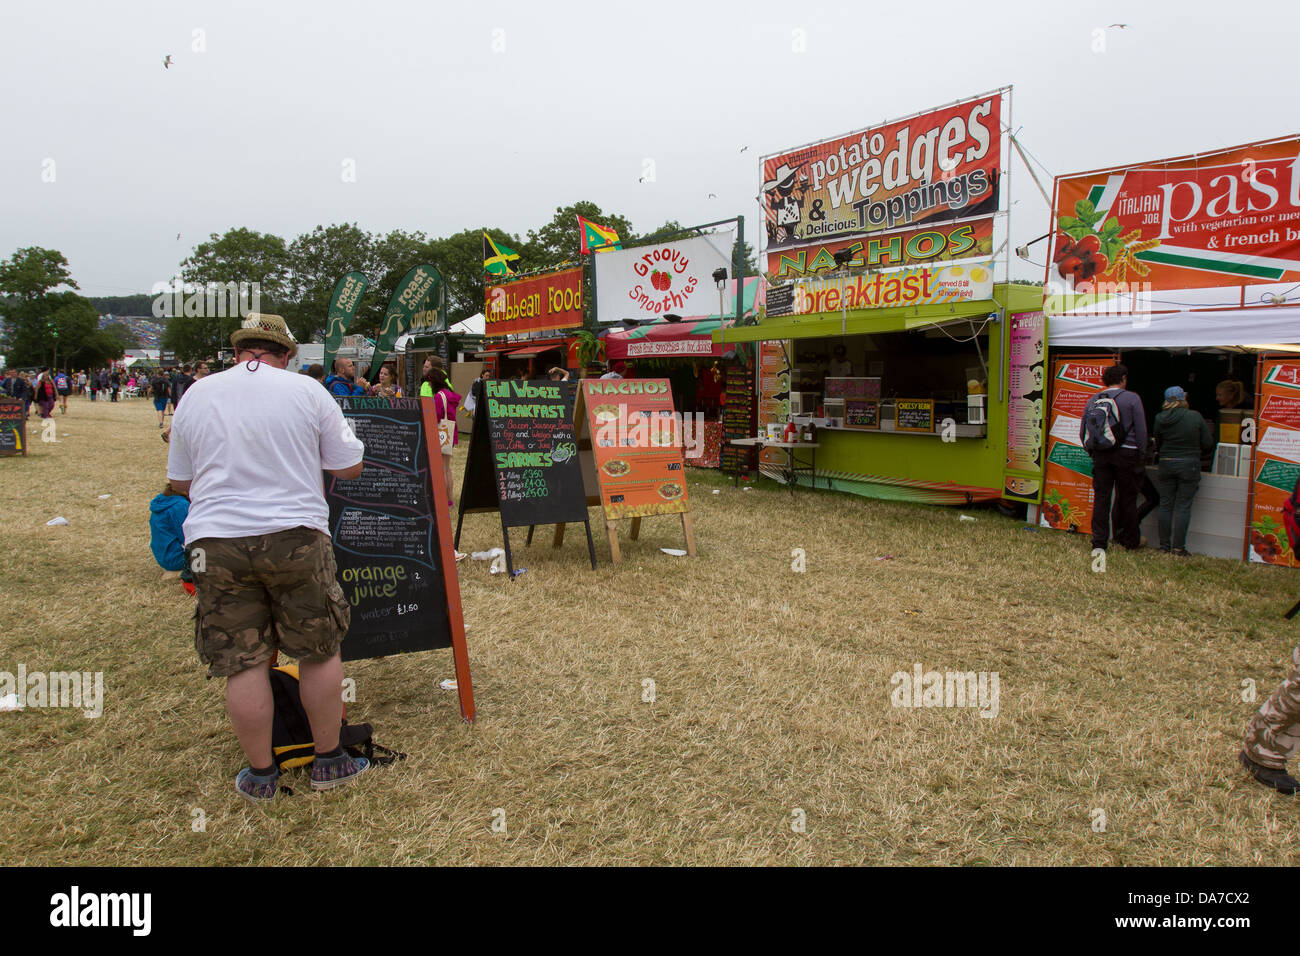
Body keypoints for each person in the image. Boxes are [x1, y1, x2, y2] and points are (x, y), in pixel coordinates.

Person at [166, 312, 368, 801]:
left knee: (244, 660)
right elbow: (349, 468)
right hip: (296, 535)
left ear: (238, 351)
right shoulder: (308, 391)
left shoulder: (197, 393)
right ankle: (329, 761)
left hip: (215, 541)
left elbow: (179, 483)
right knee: (319, 649)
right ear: (288, 354)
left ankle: (260, 775)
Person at [1080, 363, 1147, 551]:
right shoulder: (1132, 399)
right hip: (1127, 453)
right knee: (1127, 498)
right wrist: (1141, 454)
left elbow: (1083, 429)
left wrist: (1093, 452)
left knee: (1101, 499)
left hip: (1102, 455)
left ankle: (1099, 542)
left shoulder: (1094, 399)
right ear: (1124, 378)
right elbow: (1141, 430)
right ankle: (1130, 541)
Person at [1151, 385, 1213, 556]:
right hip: (1189, 464)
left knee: (1165, 504)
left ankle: (1164, 546)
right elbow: (1207, 443)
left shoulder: (1160, 418)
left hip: (1166, 463)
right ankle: (1178, 548)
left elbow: (1158, 442)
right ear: (1183, 398)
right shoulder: (1194, 416)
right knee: (1184, 506)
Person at [421, 366, 461, 516]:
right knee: (447, 468)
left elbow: (435, 416)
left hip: (441, 432)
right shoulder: (449, 394)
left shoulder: (439, 396)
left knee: (442, 468)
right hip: (450, 432)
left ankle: (444, 500)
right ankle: (449, 499)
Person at [149, 482, 196, 595]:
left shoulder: (163, 502)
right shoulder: (180, 506)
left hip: (163, 556)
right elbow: (189, 536)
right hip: (176, 559)